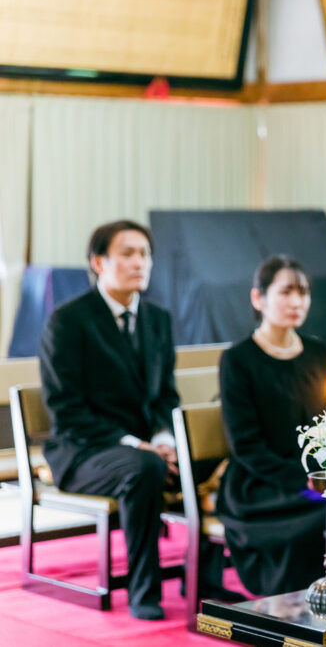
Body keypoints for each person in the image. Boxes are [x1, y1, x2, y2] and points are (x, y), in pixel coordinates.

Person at [39, 220, 182, 619]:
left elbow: (165, 395)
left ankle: (203, 574)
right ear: (98, 262)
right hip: (83, 451)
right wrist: (140, 445)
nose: (140, 262)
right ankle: (144, 590)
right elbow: (66, 410)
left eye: (145, 254)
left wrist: (164, 436)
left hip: (146, 448)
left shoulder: (158, 320)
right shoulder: (67, 322)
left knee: (208, 453)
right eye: (128, 253)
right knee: (145, 467)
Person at [216, 256, 326, 596]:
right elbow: (245, 445)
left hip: (315, 476)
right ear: (258, 298)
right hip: (261, 482)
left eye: (304, 292)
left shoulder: (317, 353)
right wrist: (307, 481)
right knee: (320, 511)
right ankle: (296, 605)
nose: (297, 302)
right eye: (286, 292)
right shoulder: (238, 359)